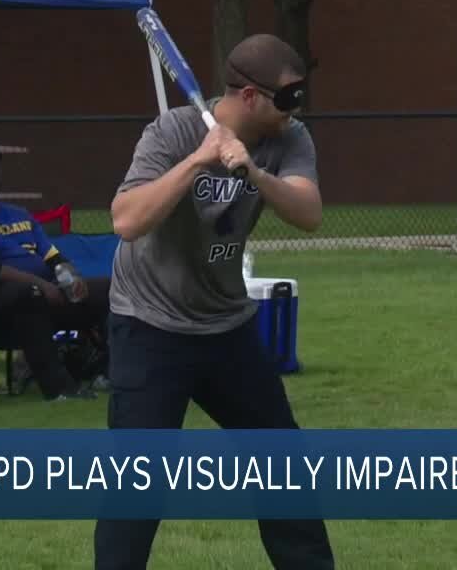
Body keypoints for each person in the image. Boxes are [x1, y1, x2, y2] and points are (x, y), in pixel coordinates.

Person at [94, 34, 333, 570]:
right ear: (250, 95)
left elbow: (308, 212)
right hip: (149, 326)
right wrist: (198, 161)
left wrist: (251, 172)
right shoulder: (171, 132)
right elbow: (126, 221)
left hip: (225, 327)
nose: (298, 108)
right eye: (289, 97)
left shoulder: (289, 138)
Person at [0, 142, 108, 401]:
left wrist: (70, 276)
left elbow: (53, 257)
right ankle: (59, 389)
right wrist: (42, 285)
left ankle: (111, 373)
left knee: (110, 289)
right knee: (27, 292)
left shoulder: (20, 215)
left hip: (39, 301)